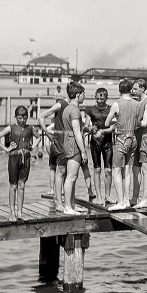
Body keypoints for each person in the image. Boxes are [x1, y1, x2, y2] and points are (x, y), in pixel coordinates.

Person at [105, 78, 144, 211]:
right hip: (133, 138)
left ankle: (120, 201)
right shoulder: (137, 104)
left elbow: (106, 122)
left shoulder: (116, 104)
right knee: (127, 170)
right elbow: (138, 120)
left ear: (120, 90)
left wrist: (117, 120)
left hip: (121, 139)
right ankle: (126, 200)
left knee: (116, 170)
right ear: (130, 89)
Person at [0, 105, 35, 221]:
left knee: (22, 185)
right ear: (15, 117)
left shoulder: (30, 128)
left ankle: (20, 212)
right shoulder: (11, 128)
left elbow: (39, 137)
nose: (22, 121)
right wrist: (6, 148)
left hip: (26, 158)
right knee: (13, 185)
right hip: (13, 158)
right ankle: (12, 212)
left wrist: (33, 146)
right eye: (20, 118)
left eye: (25, 118)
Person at [59, 82, 89, 216]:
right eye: (83, 94)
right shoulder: (75, 110)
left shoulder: (67, 108)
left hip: (67, 141)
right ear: (77, 95)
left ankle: (71, 205)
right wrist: (83, 151)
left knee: (72, 176)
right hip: (73, 144)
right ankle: (67, 207)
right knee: (71, 176)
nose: (84, 96)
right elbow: (77, 132)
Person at [83, 87, 115, 203]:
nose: (99, 98)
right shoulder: (90, 110)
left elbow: (113, 127)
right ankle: (99, 196)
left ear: (106, 97)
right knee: (97, 169)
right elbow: (85, 127)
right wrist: (90, 129)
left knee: (108, 170)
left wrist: (103, 131)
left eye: (102, 96)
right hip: (95, 142)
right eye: (97, 96)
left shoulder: (111, 109)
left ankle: (108, 196)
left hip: (108, 142)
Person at [39, 92, 69, 212]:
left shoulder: (66, 107)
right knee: (59, 171)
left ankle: (60, 197)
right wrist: (47, 132)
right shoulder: (60, 105)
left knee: (58, 170)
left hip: (56, 144)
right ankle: (58, 200)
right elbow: (41, 117)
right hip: (57, 145)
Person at [131, 80, 147, 209]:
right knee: (135, 169)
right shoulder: (137, 102)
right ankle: (134, 198)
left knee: (145, 168)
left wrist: (129, 121)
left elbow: (145, 122)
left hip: (146, 137)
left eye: (135, 89)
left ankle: (145, 199)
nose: (133, 91)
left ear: (142, 88)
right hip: (136, 136)